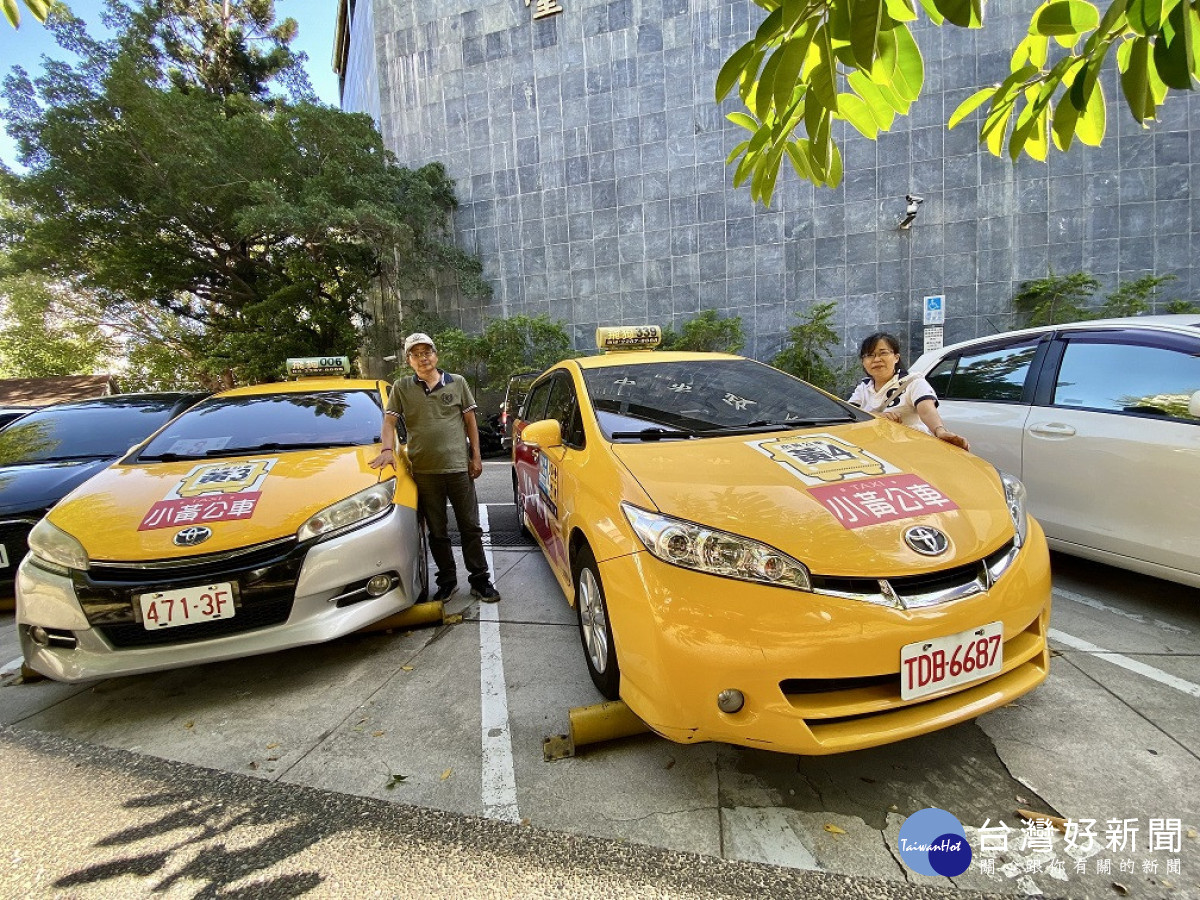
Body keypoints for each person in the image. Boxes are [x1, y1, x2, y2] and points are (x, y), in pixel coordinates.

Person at [369, 333, 501, 603]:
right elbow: (389, 423)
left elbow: (470, 423)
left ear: (436, 355)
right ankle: (447, 581)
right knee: (437, 533)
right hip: (425, 471)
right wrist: (386, 450)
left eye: (427, 352)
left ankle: (480, 581)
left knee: (471, 527)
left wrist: (476, 457)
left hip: (458, 469)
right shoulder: (402, 387)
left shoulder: (458, 383)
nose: (423, 358)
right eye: (416, 354)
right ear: (409, 360)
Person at [847, 332, 970, 451]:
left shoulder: (913, 382)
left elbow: (926, 410)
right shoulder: (863, 387)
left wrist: (940, 431)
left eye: (883, 353)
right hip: (875, 450)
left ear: (896, 357)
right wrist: (877, 417)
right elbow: (849, 415)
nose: (876, 359)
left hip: (910, 449)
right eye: (869, 355)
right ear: (863, 362)